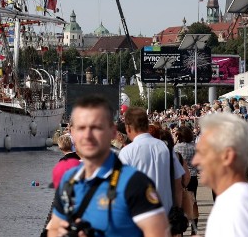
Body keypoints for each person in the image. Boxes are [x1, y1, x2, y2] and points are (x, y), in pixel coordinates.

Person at [46, 95, 169, 237]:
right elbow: (54, 229)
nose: (87, 135)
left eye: (96, 127)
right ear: (71, 132)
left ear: (112, 131)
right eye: (81, 128)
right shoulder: (69, 180)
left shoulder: (135, 184)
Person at [191, 112, 248, 237]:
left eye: (203, 152)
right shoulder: (240, 199)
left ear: (227, 156)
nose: (195, 160)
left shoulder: (236, 206)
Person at [119, 107, 184, 216]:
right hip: (166, 215)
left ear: (128, 128)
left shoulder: (126, 152)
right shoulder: (166, 148)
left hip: (139, 217)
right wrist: (177, 210)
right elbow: (178, 183)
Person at [174, 125, 199, 235]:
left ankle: (181, 230)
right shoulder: (195, 147)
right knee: (192, 202)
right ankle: (194, 229)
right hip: (193, 176)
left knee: (181, 202)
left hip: (181, 176)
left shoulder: (176, 148)